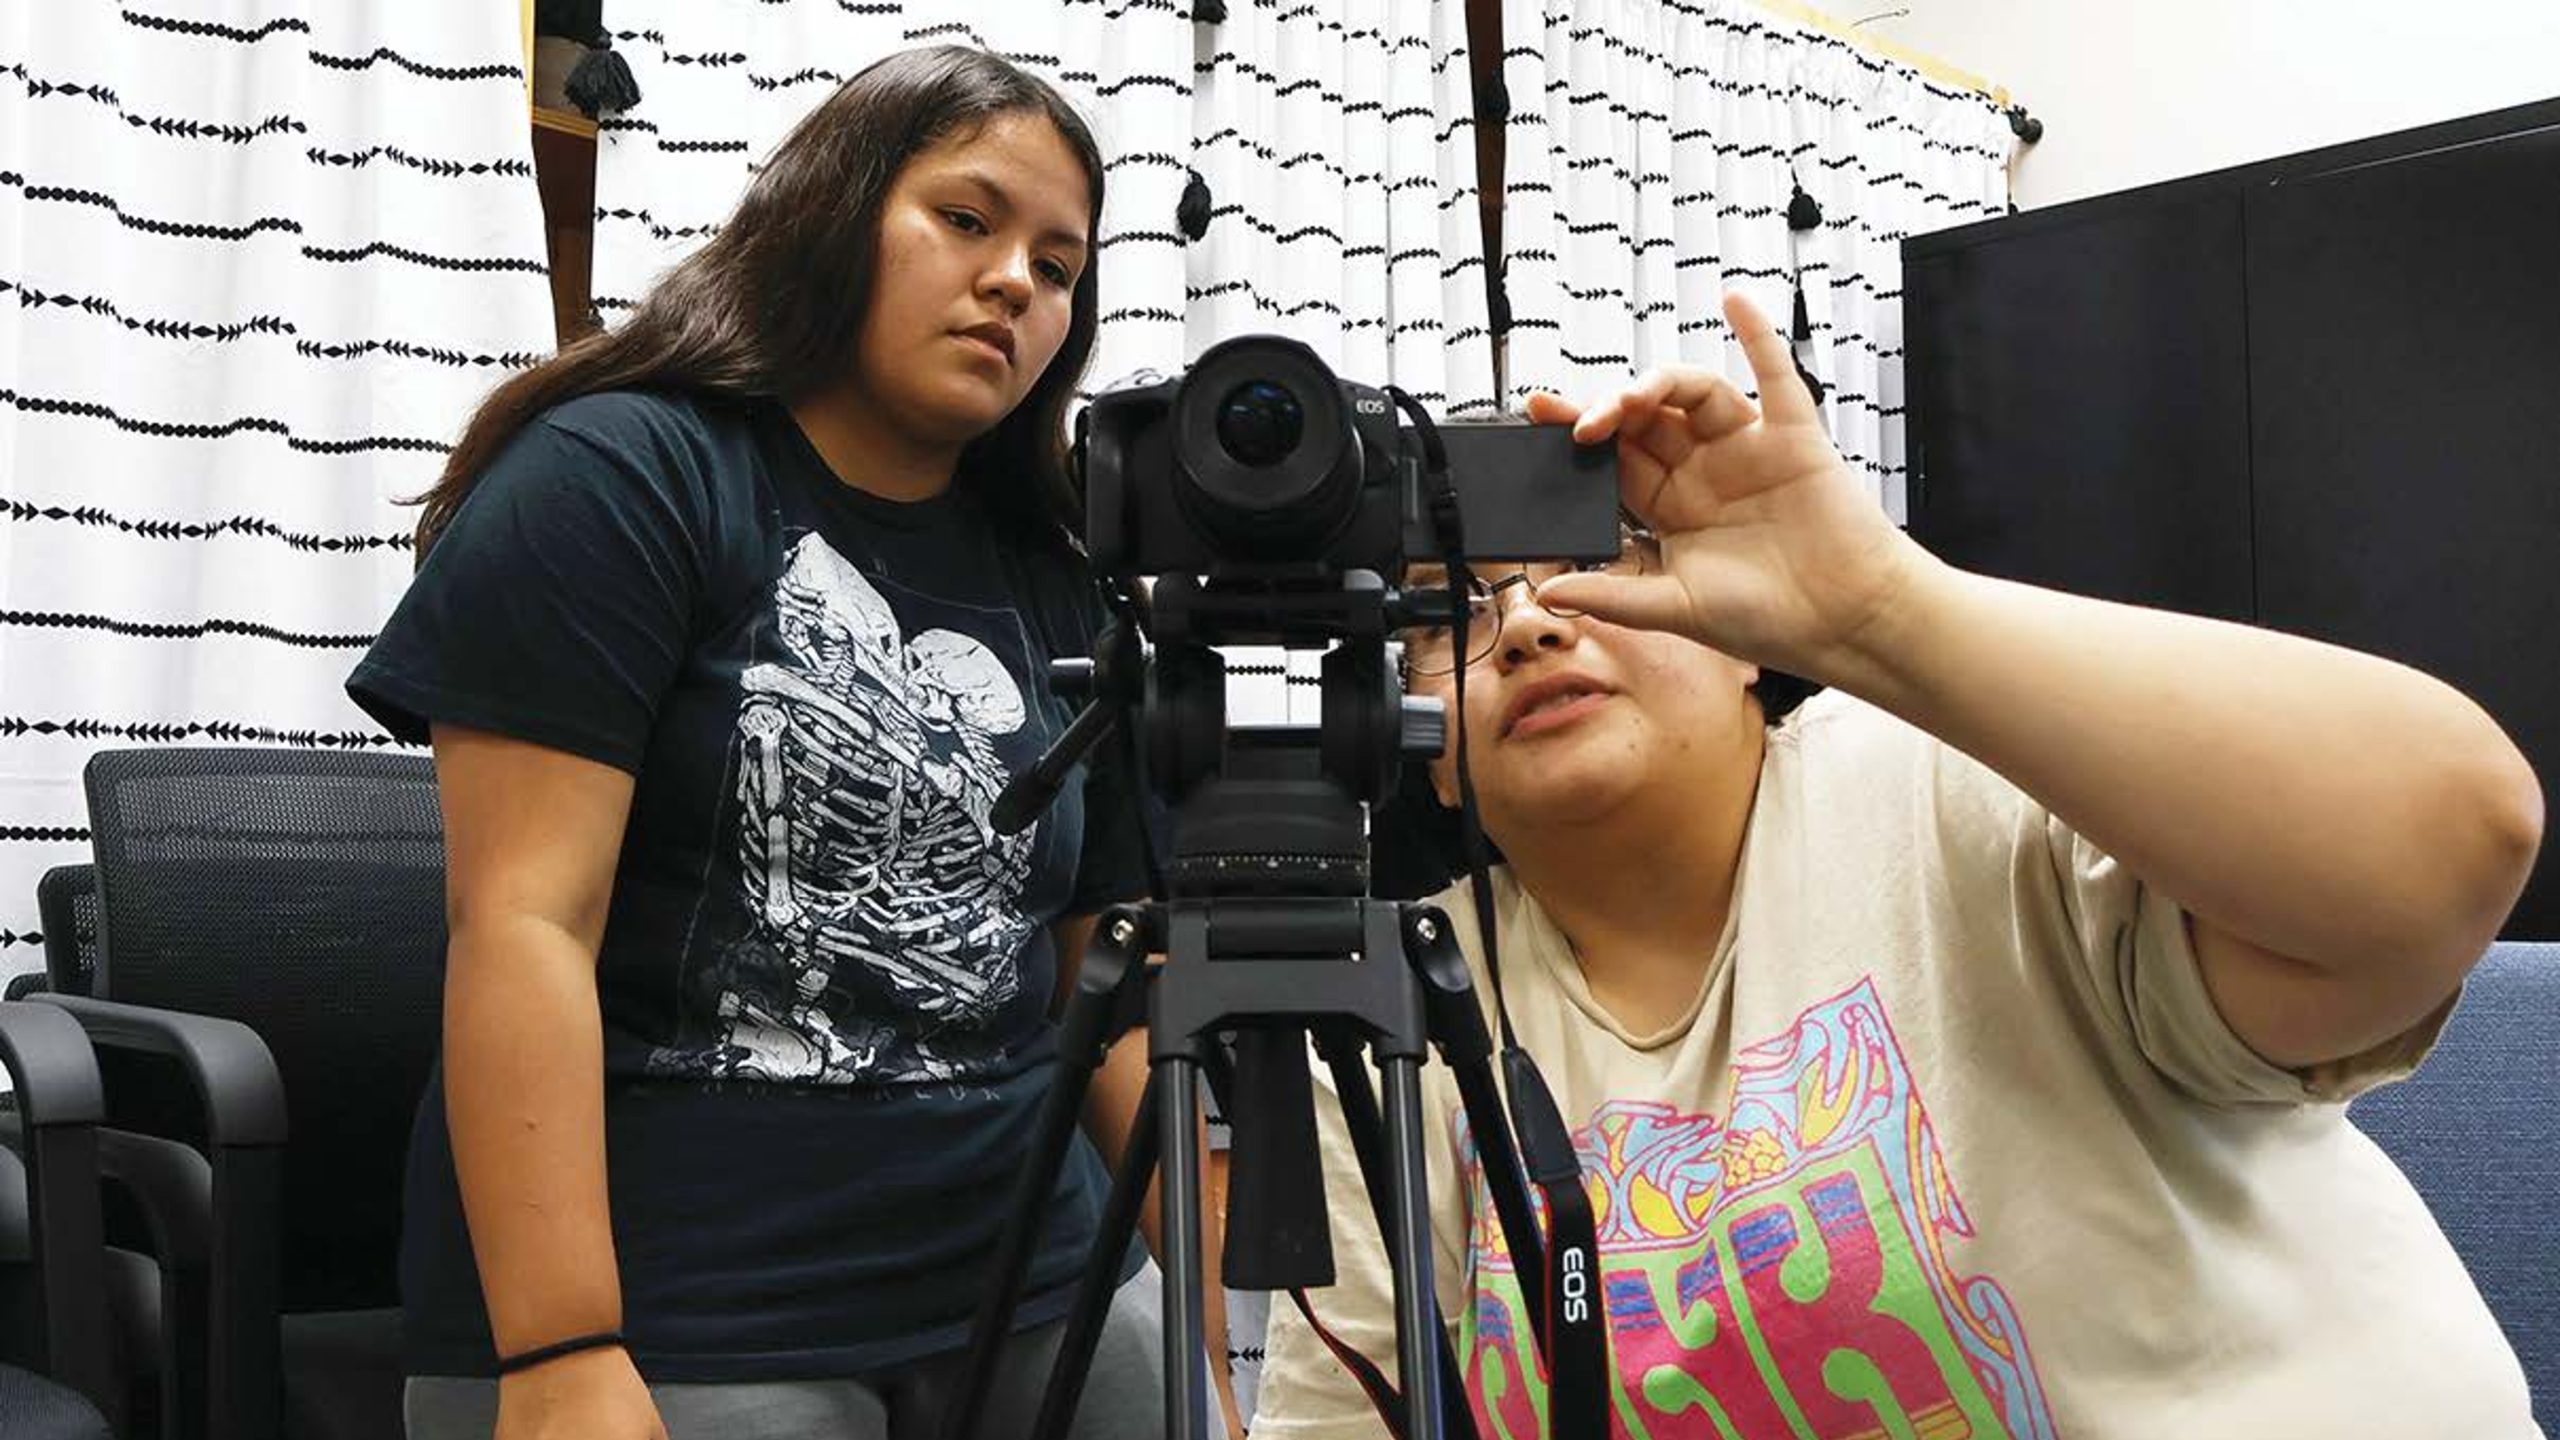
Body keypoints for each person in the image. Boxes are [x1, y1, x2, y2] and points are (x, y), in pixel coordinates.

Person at [1250, 291, 2547, 1438]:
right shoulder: (1401, 1022)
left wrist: (1879, 609)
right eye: (1454, 609)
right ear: (1414, 740)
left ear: (1744, 644)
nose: (1531, 624)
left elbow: (2453, 843)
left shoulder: (1951, 786)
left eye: (1593, 563)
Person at [349, 46, 1221, 1440]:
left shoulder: (1056, 572)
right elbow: (521, 923)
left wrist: (1211, 1336)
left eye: (1059, 267)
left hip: (1039, 1276)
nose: (1016, 283)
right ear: (832, 211)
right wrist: (561, 1353)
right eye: (968, 219)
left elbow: (1104, 977)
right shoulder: (625, 475)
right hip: (679, 1301)